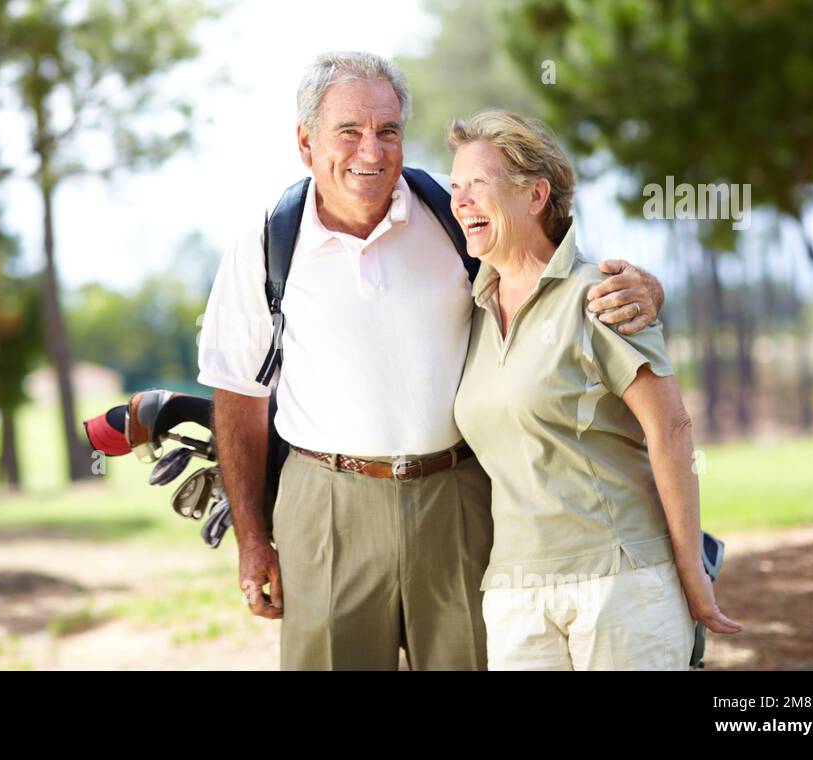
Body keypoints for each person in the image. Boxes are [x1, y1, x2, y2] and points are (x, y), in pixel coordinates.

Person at [196, 52, 665, 671]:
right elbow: (238, 399)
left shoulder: (454, 217)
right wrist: (253, 542)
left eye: (387, 131)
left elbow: (556, 280)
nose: (372, 150)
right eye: (349, 132)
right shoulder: (264, 245)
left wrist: (648, 289)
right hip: (325, 508)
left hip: (457, 499)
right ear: (306, 142)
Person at [448, 109, 742, 670]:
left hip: (621, 581)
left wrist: (690, 570)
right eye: (456, 186)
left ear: (536, 195)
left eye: (478, 185)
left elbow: (671, 428)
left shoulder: (602, 295)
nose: (461, 201)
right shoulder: (471, 310)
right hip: (513, 591)